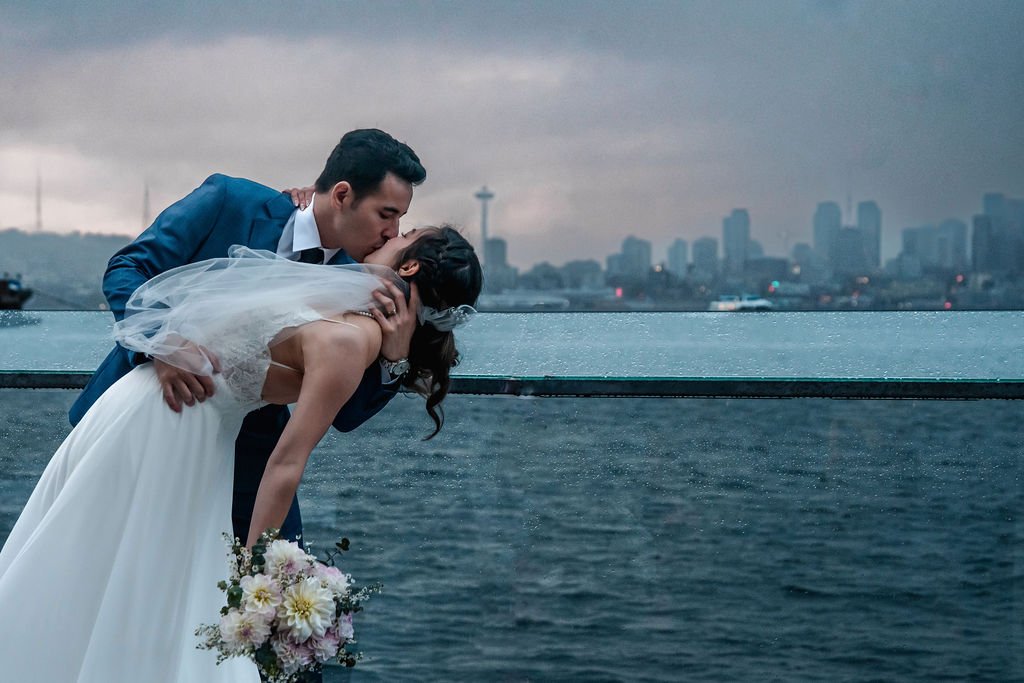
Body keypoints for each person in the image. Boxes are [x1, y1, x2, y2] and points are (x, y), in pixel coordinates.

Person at [0, 225, 483, 681]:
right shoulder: (344, 307)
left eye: (406, 233)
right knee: (117, 574)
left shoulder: (349, 336)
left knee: (126, 579)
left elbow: (286, 464)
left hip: (177, 425)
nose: (392, 232)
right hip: (169, 419)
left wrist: (251, 582)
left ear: (413, 267)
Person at [69, 128, 426, 548]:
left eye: (400, 218)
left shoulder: (366, 280)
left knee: (269, 585)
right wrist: (163, 342)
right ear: (343, 195)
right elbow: (129, 268)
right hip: (147, 421)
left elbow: (345, 415)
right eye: (386, 214)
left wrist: (394, 359)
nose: (392, 231)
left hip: (248, 461)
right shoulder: (228, 201)